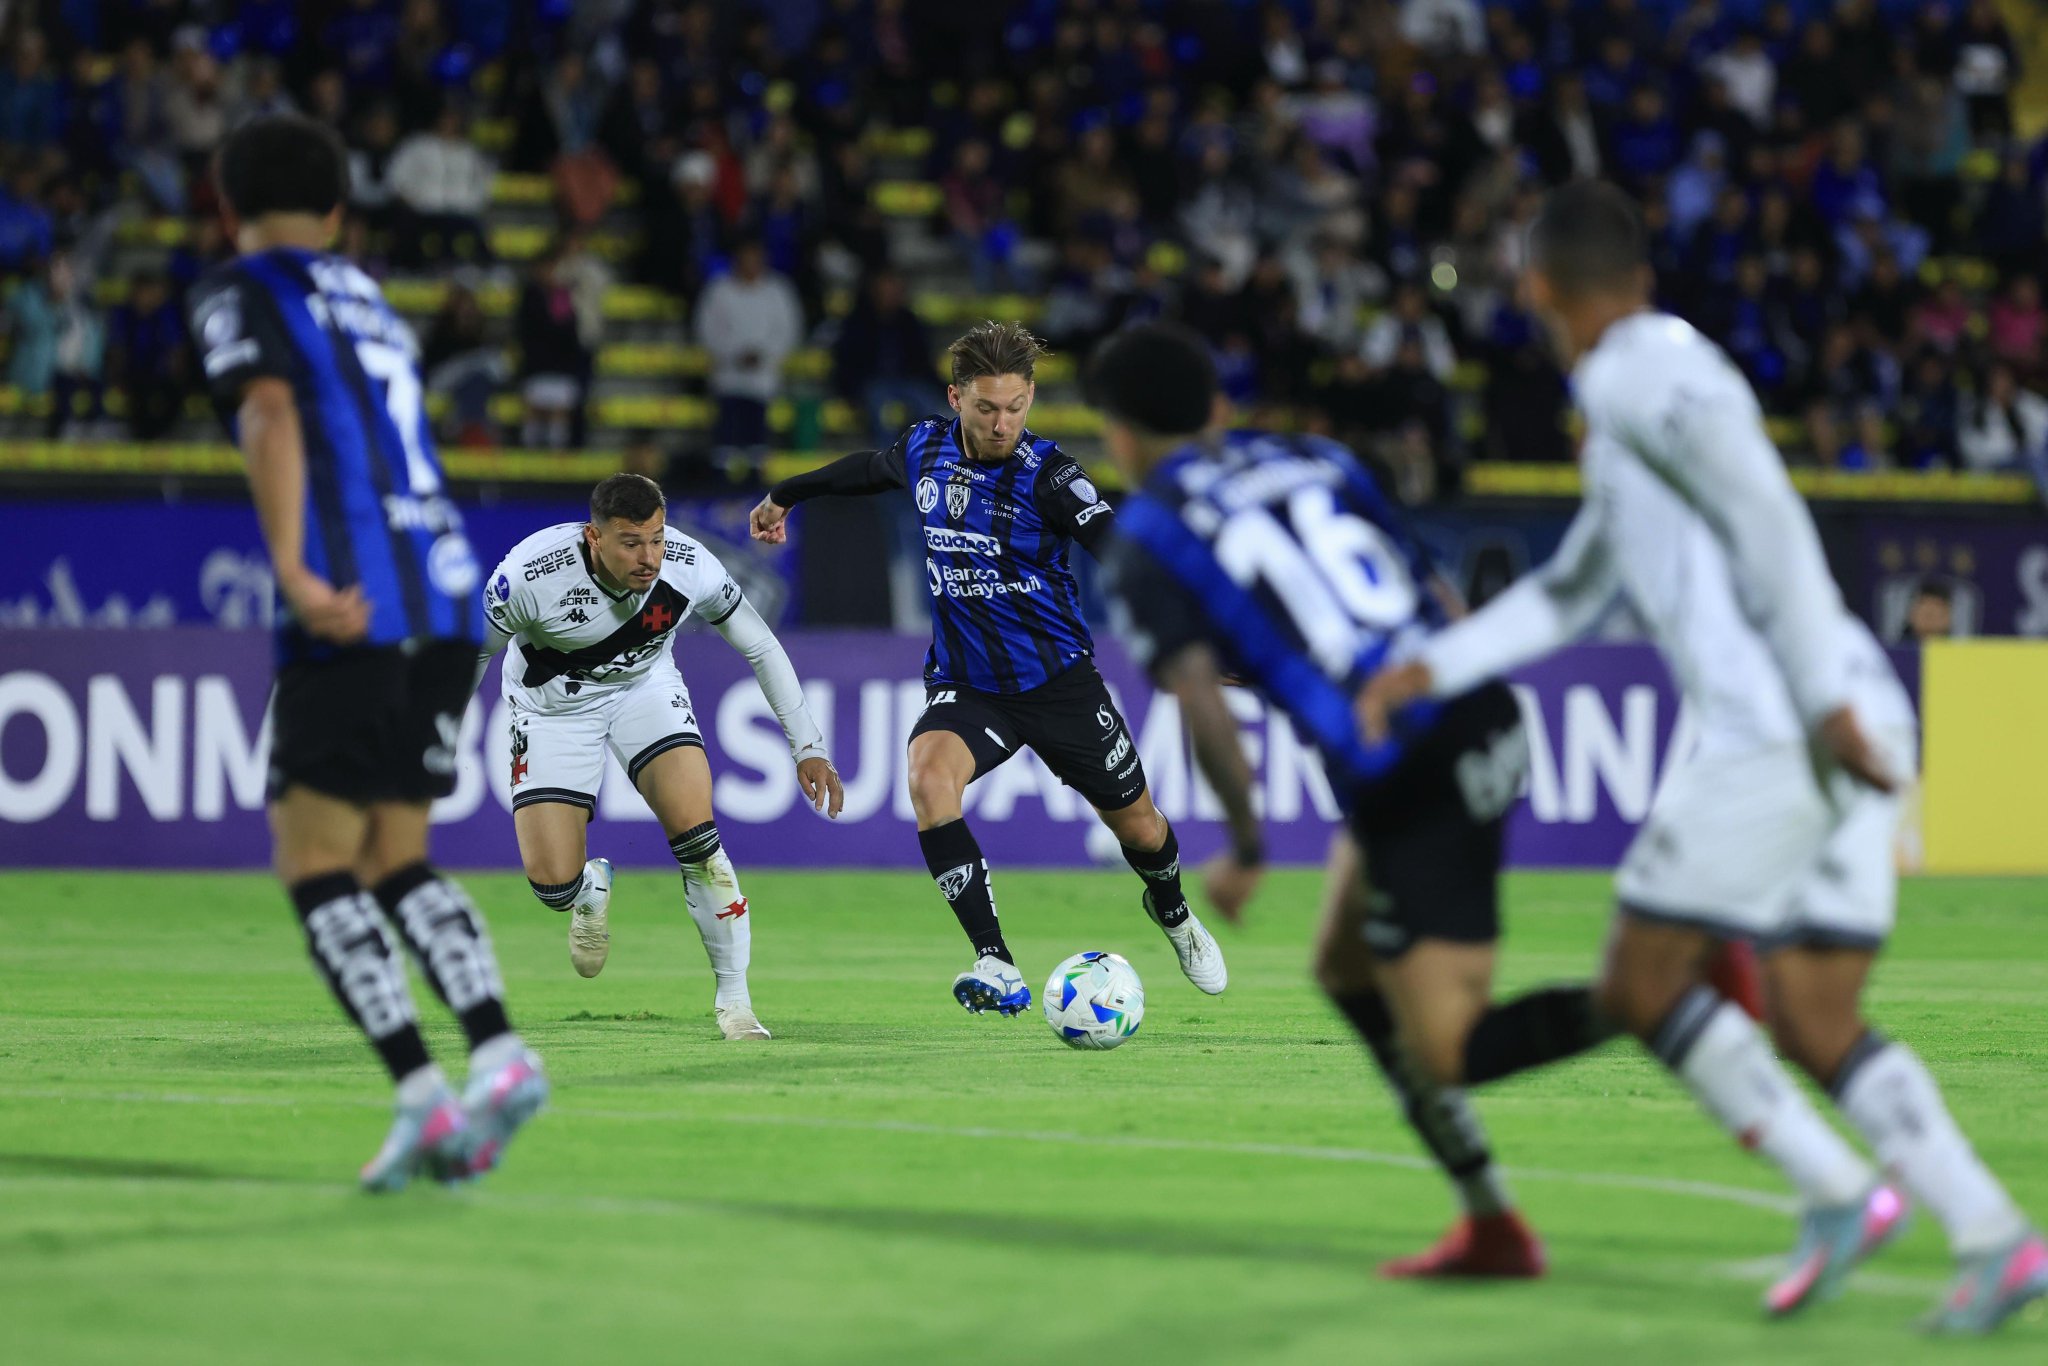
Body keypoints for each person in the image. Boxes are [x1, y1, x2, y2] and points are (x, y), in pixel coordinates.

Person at [1360, 181, 2046, 1334]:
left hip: (1784, 722)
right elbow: (1578, 584)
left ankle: (1833, 1192)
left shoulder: (1642, 370)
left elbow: (1767, 511)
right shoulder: (1632, 395)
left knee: (1639, 979)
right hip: (1838, 709)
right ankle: (1991, 1236)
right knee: (1812, 1014)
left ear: (1536, 290)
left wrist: (1819, 703)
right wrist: (1438, 664)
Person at [1083, 322, 1615, 1279]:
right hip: (1475, 710)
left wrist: (1244, 844)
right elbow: (1437, 595)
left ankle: (1668, 991)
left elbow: (1201, 701)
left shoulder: (1149, 537)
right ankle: (1489, 1218)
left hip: (1412, 769)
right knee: (1342, 967)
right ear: (1217, 407)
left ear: (1116, 434)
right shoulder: (1315, 456)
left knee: (1446, 1046)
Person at [183, 114, 544, 1193]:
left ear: (226, 206)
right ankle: (494, 1052)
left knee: (316, 861)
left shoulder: (241, 289)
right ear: (339, 211)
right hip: (442, 602)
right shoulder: (370, 300)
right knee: (396, 855)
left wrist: (292, 569)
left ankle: (422, 1094)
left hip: (351, 605)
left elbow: (269, 412)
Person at [748, 321, 1227, 1015]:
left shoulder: (1053, 477)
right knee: (928, 777)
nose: (1002, 424)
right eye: (986, 409)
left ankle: (1176, 914)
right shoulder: (924, 448)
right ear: (956, 399)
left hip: (1060, 682)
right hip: (970, 686)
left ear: (1030, 398)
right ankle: (995, 961)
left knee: (1143, 828)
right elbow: (864, 470)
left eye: (1015, 408)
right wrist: (786, 493)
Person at [477, 473, 843, 1042]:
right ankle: (587, 890)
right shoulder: (529, 576)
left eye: (656, 538)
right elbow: (468, 658)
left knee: (700, 838)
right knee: (552, 885)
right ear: (594, 538)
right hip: (552, 710)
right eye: (631, 542)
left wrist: (808, 745)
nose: (649, 557)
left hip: (643, 691)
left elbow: (760, 644)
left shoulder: (689, 564)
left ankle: (736, 1005)